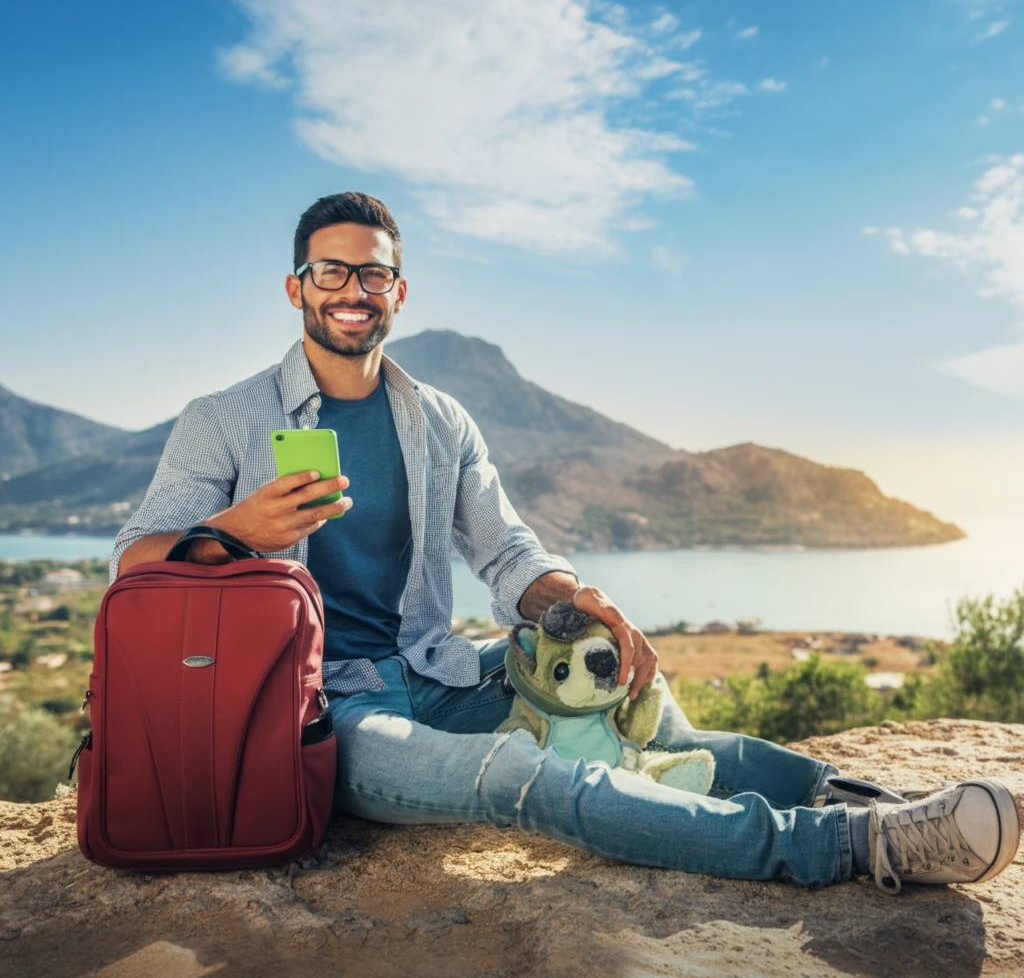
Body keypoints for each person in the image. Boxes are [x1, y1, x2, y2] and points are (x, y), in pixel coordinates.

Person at [112, 192, 1020, 894]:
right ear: (296, 287)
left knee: (643, 707)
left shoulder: (437, 420)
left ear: (399, 290)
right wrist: (234, 532)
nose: (354, 291)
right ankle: (850, 850)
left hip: (437, 673)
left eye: (373, 274)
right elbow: (132, 565)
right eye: (331, 272)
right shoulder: (225, 422)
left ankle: (879, 806)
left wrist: (576, 601)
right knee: (527, 778)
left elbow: (506, 554)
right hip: (324, 717)